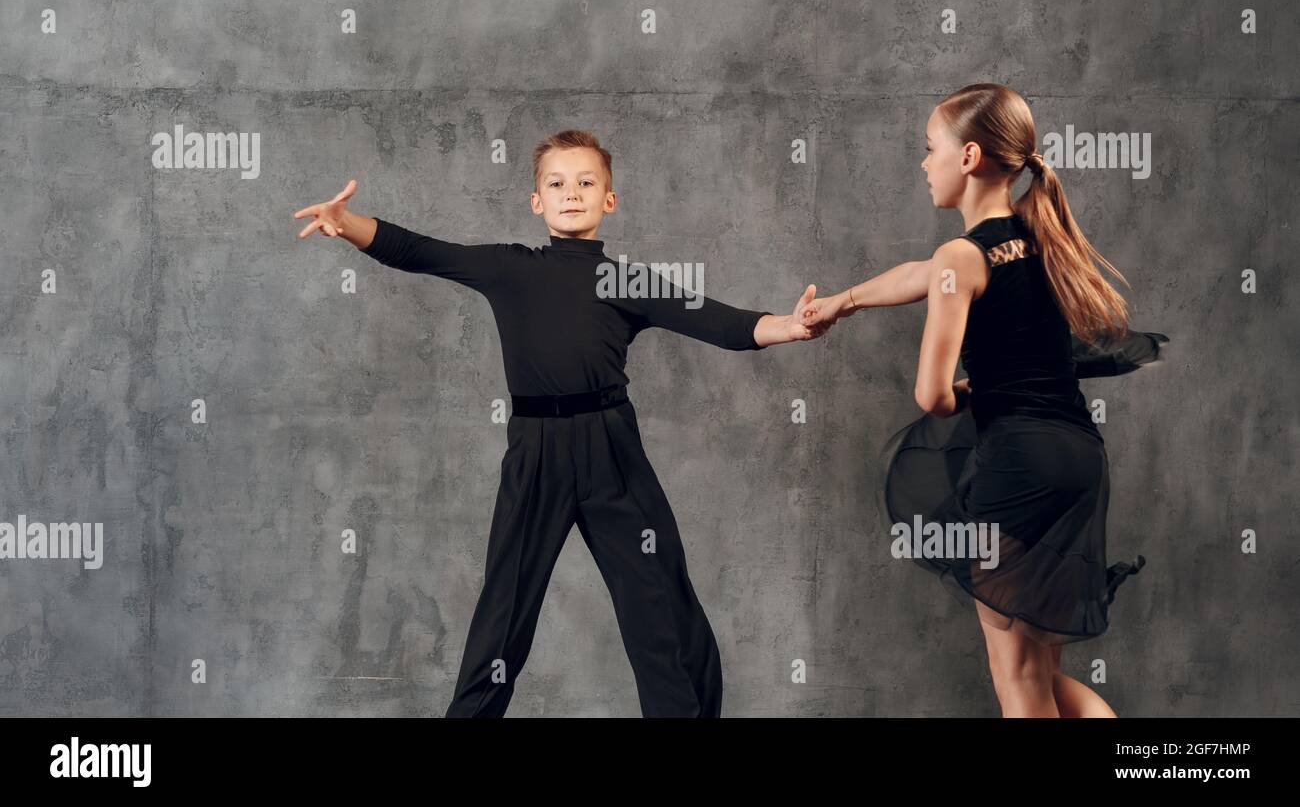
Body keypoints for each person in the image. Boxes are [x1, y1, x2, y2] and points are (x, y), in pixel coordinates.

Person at [293, 130, 828, 717]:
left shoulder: (623, 280)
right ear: (536, 201)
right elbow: (422, 250)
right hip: (535, 454)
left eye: (586, 182)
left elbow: (714, 320)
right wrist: (348, 224)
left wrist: (789, 324)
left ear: (609, 200)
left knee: (662, 606)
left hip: (611, 450)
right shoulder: (507, 268)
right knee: (503, 615)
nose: (571, 193)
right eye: (556, 183)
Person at [799, 84, 1167, 717]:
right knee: (1042, 675)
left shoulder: (962, 255)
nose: (922, 163)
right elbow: (925, 275)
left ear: (967, 157)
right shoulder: (1040, 238)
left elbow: (931, 394)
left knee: (1017, 682)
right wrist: (845, 299)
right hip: (1079, 461)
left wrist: (963, 397)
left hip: (1018, 464)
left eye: (928, 149)